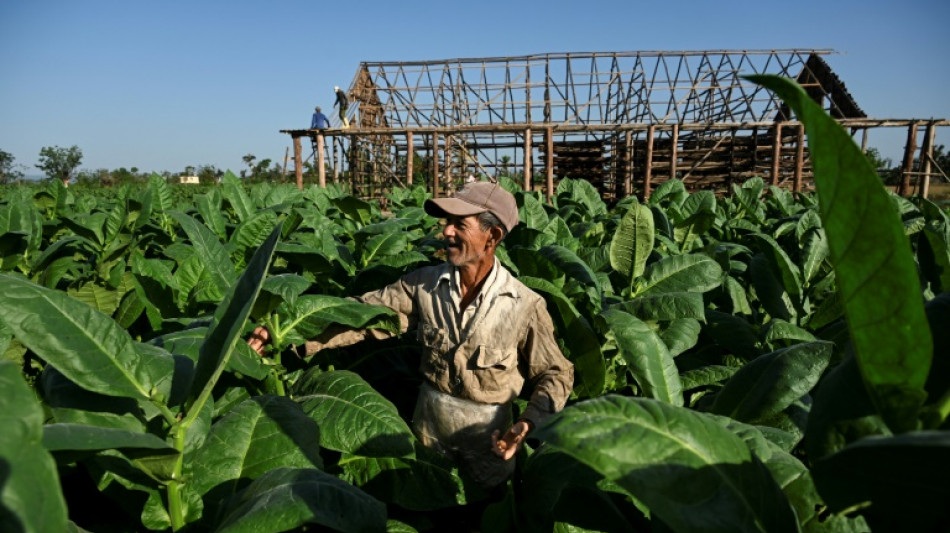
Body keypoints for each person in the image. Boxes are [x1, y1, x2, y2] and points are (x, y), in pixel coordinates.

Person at [248, 181, 574, 489]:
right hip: (427, 439)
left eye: (460, 224)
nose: (446, 231)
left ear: (493, 235)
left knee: (481, 515)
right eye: (447, 222)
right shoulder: (422, 285)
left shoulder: (525, 305)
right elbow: (360, 314)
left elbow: (556, 373)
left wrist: (527, 425)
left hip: (487, 450)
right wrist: (287, 332)